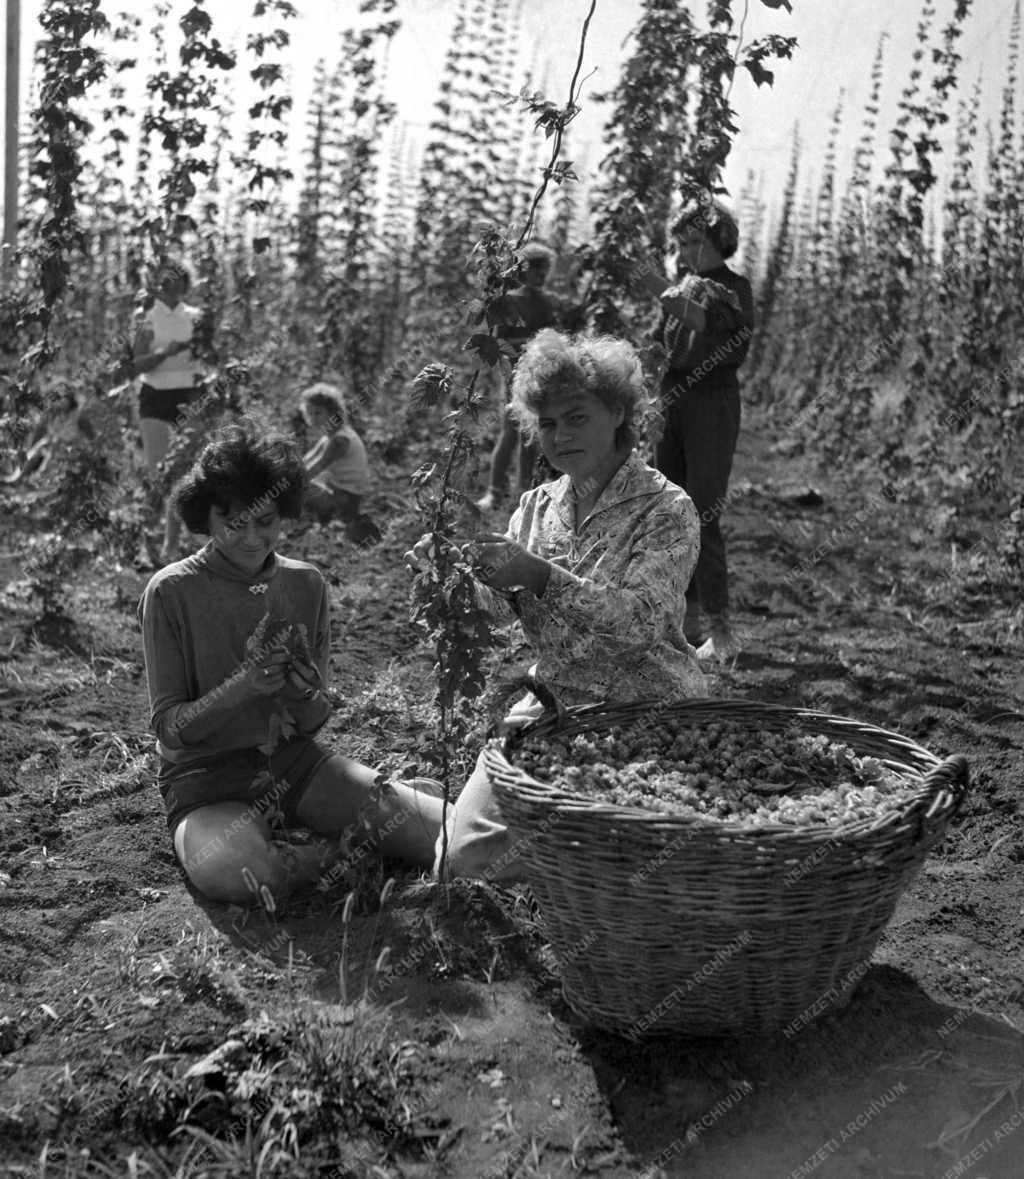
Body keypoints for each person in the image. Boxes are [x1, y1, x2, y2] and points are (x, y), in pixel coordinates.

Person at [407, 330, 708, 882]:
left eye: (576, 417)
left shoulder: (666, 509)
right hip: (552, 708)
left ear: (618, 412)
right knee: (463, 864)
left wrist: (542, 575)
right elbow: (500, 611)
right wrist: (456, 577)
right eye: (546, 424)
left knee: (635, 867)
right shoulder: (538, 506)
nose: (560, 436)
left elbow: (640, 624)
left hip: (647, 711)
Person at [139, 421, 444, 906]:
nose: (251, 538)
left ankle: (346, 833)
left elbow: (313, 720)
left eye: (265, 521)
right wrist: (242, 689)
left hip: (296, 767)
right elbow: (171, 728)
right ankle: (344, 847)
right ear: (207, 518)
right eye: (233, 522)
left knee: (450, 835)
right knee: (242, 873)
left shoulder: (305, 585)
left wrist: (305, 694)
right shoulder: (172, 591)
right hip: (204, 785)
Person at [652, 197, 754, 662]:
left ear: (718, 242)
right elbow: (662, 345)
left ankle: (723, 630)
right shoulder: (682, 286)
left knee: (703, 511)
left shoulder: (734, 287)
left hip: (711, 401)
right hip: (673, 401)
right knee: (673, 510)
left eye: (695, 241)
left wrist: (679, 305)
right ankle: (684, 620)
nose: (686, 251)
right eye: (681, 242)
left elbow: (726, 339)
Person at [475, 243, 562, 513]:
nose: (542, 275)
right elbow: (500, 340)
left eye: (545, 270)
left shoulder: (548, 301)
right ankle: (494, 492)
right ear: (523, 270)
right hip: (515, 374)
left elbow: (554, 336)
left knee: (532, 435)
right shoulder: (511, 300)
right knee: (510, 432)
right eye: (536, 269)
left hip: (541, 375)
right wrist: (536, 343)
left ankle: (524, 492)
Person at [131, 261, 207, 564]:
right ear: (158, 284)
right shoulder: (145, 317)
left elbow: (210, 357)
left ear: (186, 286)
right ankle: (145, 544)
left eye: (179, 282)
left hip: (189, 397)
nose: (172, 288)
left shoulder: (197, 317)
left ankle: (171, 547)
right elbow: (136, 364)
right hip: (155, 398)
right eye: (166, 282)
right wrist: (166, 352)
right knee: (158, 474)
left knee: (184, 475)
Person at [299, 382, 378, 543]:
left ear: (332, 412)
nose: (313, 418)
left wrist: (284, 483)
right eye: (310, 413)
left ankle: (324, 519)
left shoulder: (340, 440)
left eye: (318, 413)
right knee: (296, 483)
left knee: (298, 487)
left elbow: (314, 469)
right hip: (338, 492)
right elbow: (305, 462)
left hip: (345, 500)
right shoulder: (330, 436)